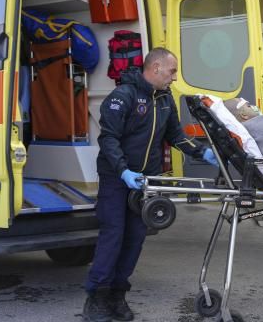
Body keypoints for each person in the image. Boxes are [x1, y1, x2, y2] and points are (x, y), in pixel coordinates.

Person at [83, 47, 218, 322]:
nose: (174, 77)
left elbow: (176, 136)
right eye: (172, 71)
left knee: (134, 239)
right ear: (155, 68)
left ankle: (117, 295)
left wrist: (201, 152)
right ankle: (96, 298)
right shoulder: (124, 96)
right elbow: (108, 138)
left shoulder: (165, 100)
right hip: (117, 179)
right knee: (113, 236)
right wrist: (123, 171)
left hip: (147, 181)